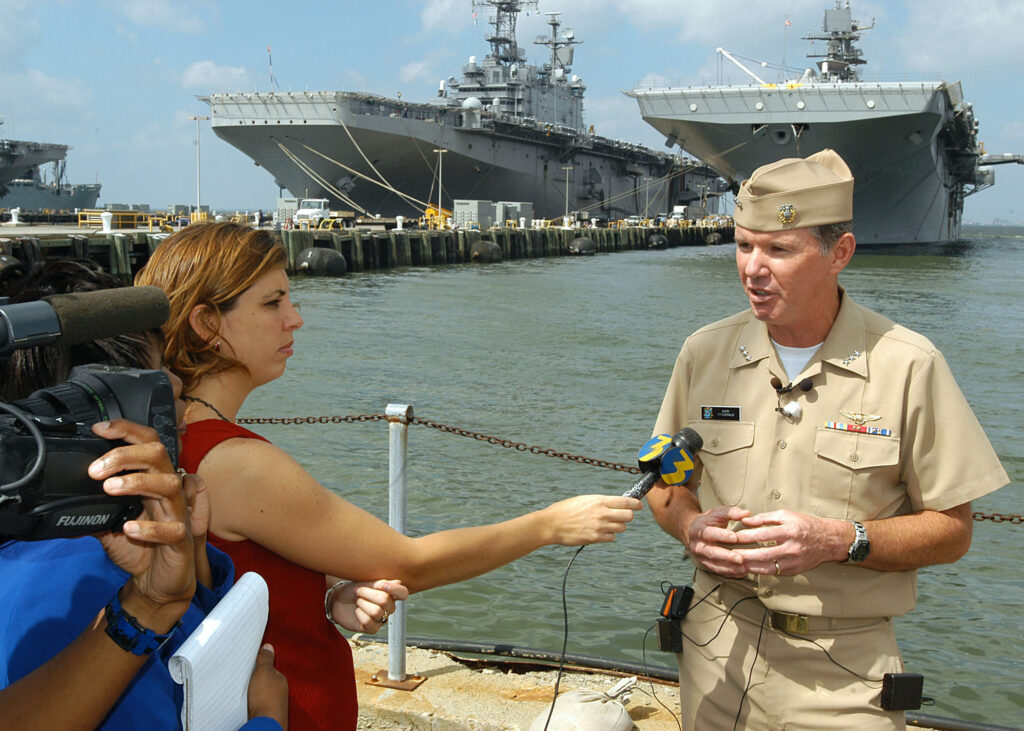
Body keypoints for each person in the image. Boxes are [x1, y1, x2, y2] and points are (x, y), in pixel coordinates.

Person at [135, 222, 643, 730]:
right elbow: (409, 564)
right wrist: (548, 525)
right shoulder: (236, 461)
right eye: (273, 303)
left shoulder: (167, 441)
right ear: (207, 323)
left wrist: (328, 593)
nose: (295, 319)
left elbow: (233, 574)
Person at [646, 149, 1009, 730]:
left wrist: (839, 539)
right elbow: (666, 486)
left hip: (843, 675)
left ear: (839, 253)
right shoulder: (704, 352)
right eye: (744, 245)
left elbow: (952, 531)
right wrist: (690, 527)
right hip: (715, 653)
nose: (752, 268)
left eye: (779, 250)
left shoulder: (909, 365)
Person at [0, 259, 288, 729]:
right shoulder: (78, 582)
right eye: (155, 375)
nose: (176, 385)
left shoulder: (79, 551)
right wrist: (266, 719)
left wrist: (193, 558)